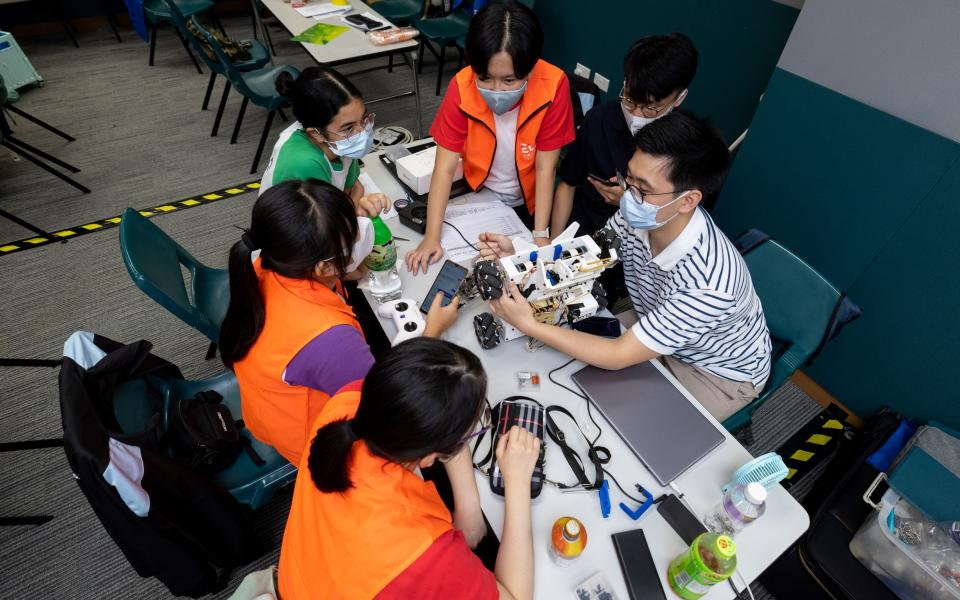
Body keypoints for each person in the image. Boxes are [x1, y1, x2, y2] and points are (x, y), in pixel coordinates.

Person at [479, 111, 771, 422]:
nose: (629, 196)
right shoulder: (639, 216)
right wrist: (523, 255)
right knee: (570, 360)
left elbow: (617, 356)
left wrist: (530, 325)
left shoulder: (709, 283)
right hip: (654, 318)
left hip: (712, 371)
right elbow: (585, 259)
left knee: (629, 422)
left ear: (687, 200)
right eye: (628, 178)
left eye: (643, 189)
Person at [219, 179, 460, 464]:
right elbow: (385, 410)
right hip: (321, 448)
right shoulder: (329, 338)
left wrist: (346, 266)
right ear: (324, 266)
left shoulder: (268, 265)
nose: (362, 233)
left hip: (273, 412)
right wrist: (432, 333)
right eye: (354, 234)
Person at [278, 338, 540, 600]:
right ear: (428, 458)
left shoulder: (348, 404)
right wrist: (517, 482)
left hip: (304, 578)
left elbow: (428, 408)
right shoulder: (423, 552)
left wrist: (469, 507)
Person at [405, 1, 575, 275]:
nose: (496, 90)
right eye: (484, 78)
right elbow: (444, 169)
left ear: (530, 68)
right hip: (479, 195)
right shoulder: (462, 85)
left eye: (509, 80)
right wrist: (431, 237)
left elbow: (545, 168)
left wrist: (540, 233)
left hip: (528, 206)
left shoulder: (554, 85)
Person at [551, 33, 697, 238]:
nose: (635, 115)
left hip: (635, 247)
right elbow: (568, 183)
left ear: (679, 98)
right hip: (582, 232)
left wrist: (630, 204)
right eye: (629, 100)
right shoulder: (599, 120)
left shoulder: (686, 148)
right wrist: (554, 245)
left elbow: (678, 223)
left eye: (650, 109)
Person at [260, 67, 385, 216]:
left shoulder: (337, 140)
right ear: (316, 133)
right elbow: (326, 224)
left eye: (363, 119)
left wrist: (352, 202)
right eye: (349, 128)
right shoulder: (304, 163)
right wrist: (353, 206)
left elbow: (354, 187)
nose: (362, 132)